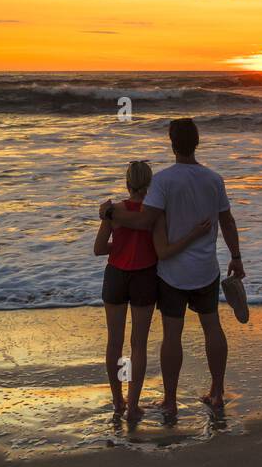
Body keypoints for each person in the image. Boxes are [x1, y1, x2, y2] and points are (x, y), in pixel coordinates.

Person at [100, 118, 244, 416]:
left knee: (171, 335)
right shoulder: (214, 179)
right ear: (197, 142)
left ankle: (170, 400)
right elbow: (228, 221)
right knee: (212, 327)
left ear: (171, 143)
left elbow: (144, 220)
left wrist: (110, 212)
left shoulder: (164, 181)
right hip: (205, 269)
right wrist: (237, 257)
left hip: (171, 272)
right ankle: (216, 393)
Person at [94, 159, 211, 420]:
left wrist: (120, 247)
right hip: (144, 277)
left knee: (115, 341)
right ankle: (133, 406)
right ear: (151, 184)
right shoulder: (154, 214)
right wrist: (194, 234)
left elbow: (99, 248)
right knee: (138, 344)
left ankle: (117, 402)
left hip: (115, 275)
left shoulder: (115, 212)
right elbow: (164, 248)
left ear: (127, 183)